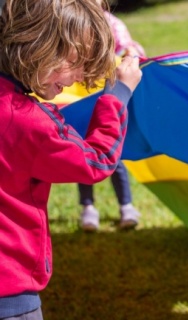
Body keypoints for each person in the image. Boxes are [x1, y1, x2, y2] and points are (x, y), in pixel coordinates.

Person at [0, 0, 142, 319]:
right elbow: (96, 161)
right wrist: (118, 95)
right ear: (40, 45)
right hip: (10, 298)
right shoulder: (28, 122)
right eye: (76, 61)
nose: (78, 76)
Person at [78, 3, 146, 232]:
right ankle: (88, 208)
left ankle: (126, 205)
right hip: (81, 98)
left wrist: (132, 54)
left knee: (113, 157)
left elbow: (130, 48)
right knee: (83, 153)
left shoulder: (112, 24)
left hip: (106, 95)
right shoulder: (73, 22)